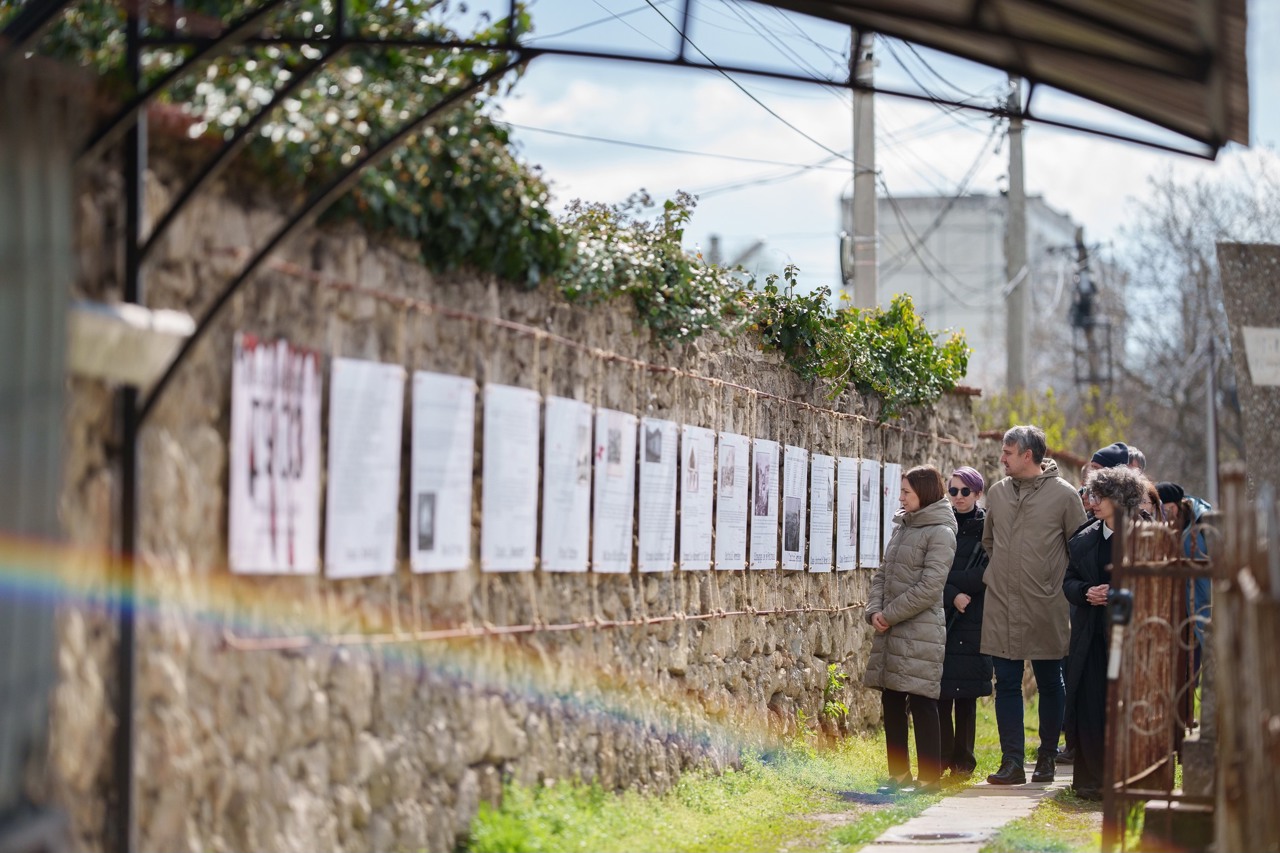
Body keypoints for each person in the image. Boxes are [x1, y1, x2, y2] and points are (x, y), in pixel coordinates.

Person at [982, 425, 1087, 786]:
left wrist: (1048, 580)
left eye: (1008, 452)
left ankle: (1046, 757)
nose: (1001, 458)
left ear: (1028, 455)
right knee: (1006, 682)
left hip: (1046, 603)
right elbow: (989, 542)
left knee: (1049, 681)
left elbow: (1081, 549)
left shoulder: (1064, 496)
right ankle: (1011, 762)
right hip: (1001, 603)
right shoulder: (996, 493)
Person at [864, 465, 958, 793]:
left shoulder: (941, 532)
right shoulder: (902, 527)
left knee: (921, 701)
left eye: (907, 491)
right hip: (891, 628)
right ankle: (898, 774)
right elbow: (883, 573)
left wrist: (890, 614)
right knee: (892, 699)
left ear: (925, 493)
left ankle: (930, 778)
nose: (901, 496)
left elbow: (931, 587)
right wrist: (874, 610)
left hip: (920, 630)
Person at [1063, 466, 1145, 801]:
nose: (1093, 502)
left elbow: (1155, 584)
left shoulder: (1145, 535)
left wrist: (1117, 594)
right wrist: (1086, 592)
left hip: (1130, 635)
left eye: (1101, 497)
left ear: (1120, 499)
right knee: (1091, 704)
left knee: (1126, 704)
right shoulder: (1085, 538)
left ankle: (1127, 776)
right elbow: (1067, 582)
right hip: (1092, 635)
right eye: (1092, 495)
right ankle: (1092, 779)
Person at [938, 467, 992, 781]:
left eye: (964, 492)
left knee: (967, 696)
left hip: (974, 617)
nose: (958, 497)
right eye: (953, 491)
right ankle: (943, 756)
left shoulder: (988, 527)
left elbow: (984, 573)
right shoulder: (941, 524)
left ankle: (964, 761)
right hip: (945, 614)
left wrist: (954, 585)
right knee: (942, 692)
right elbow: (931, 571)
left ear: (977, 493)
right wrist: (952, 593)